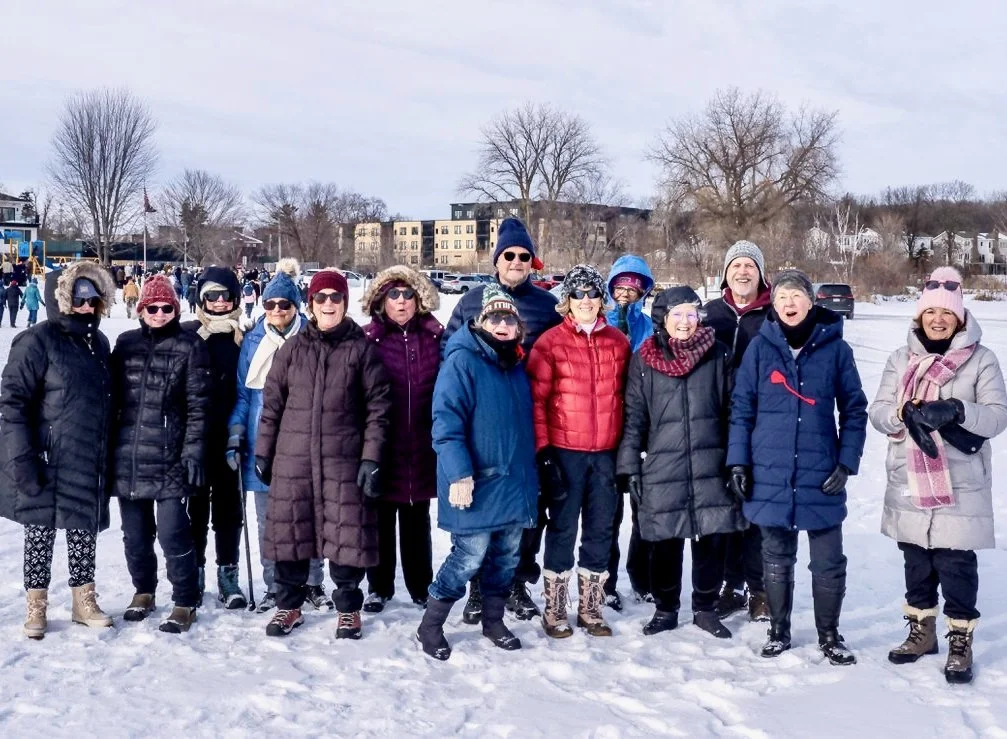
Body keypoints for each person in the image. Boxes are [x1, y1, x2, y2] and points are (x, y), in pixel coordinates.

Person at [869, 267, 1007, 684]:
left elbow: (998, 416)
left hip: (960, 479)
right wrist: (901, 413)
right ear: (919, 315)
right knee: (916, 560)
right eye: (930, 312)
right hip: (909, 477)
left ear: (960, 317)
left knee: (956, 563)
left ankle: (959, 640)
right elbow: (877, 412)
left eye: (947, 313)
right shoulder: (900, 358)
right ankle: (922, 632)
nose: (938, 319)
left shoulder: (981, 359)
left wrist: (960, 410)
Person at [727, 269, 867, 664]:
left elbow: (854, 410)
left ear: (811, 302)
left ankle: (830, 634)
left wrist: (846, 462)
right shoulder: (759, 347)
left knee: (828, 560)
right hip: (769, 469)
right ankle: (779, 630)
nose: (789, 303)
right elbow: (742, 408)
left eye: (797, 296)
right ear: (773, 304)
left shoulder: (836, 349)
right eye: (782, 297)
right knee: (775, 555)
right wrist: (738, 460)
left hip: (821, 472)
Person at [255, 269, 392, 639]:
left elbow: (379, 409)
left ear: (345, 302)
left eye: (335, 297)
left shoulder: (362, 349)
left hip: (342, 459)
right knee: (291, 535)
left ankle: (348, 608)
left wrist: (371, 457)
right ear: (311, 304)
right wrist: (263, 452)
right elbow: (272, 407)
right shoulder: (291, 351)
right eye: (321, 297)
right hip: (293, 459)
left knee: (346, 535)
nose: (328, 303)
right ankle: (288, 606)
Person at [442, 217, 560, 623]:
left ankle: (515, 582)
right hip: (483, 424)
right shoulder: (471, 302)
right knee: (484, 512)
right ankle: (478, 587)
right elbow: (450, 352)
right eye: (508, 254)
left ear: (532, 261)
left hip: (529, 423)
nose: (515, 261)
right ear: (496, 260)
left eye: (523, 255)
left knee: (527, 511)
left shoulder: (547, 306)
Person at [417, 286, 538, 660]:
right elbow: (445, 422)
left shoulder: (515, 364)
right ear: (480, 322)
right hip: (476, 483)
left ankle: (493, 619)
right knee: (468, 557)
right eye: (495, 318)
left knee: (506, 558)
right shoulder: (462, 361)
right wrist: (458, 475)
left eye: (510, 319)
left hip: (513, 483)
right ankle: (431, 625)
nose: (503, 325)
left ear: (518, 327)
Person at [618, 286, 744, 639]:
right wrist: (629, 466)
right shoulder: (644, 360)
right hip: (662, 464)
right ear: (663, 319)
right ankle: (666, 608)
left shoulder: (719, 355)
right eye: (677, 314)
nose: (685, 322)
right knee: (665, 541)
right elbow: (634, 417)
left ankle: (705, 608)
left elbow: (735, 412)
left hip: (711, 461)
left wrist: (736, 462)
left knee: (711, 539)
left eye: (691, 314)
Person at [0, 263, 117, 638]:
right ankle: (36, 604)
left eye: (93, 298)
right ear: (62, 300)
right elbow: (12, 402)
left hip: (86, 453)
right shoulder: (36, 340)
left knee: (83, 528)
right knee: (40, 531)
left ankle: (84, 600)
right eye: (79, 299)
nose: (87, 306)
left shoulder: (98, 343)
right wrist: (22, 458)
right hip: (45, 455)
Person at [527, 265, 630, 638]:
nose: (586, 301)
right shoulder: (550, 343)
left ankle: (590, 607)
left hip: (605, 453)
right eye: (578, 294)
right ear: (567, 301)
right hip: (565, 451)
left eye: (592, 294)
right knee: (563, 529)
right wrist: (544, 452)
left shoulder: (618, 342)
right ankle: (554, 608)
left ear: (601, 300)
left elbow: (628, 400)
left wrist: (627, 454)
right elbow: (536, 402)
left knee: (601, 529)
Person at [226, 259, 332, 614]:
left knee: (309, 516)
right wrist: (236, 432)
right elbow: (244, 395)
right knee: (269, 520)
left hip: (304, 441)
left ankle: (313, 582)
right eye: (269, 304)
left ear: (296, 306)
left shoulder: (312, 338)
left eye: (283, 304)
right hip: (262, 441)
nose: (276, 310)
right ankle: (274, 585)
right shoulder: (253, 340)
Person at [110, 274, 212, 633]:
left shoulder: (189, 346)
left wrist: (193, 453)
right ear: (141, 309)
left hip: (171, 457)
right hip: (130, 456)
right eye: (151, 307)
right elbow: (112, 400)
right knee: (135, 535)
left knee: (172, 534)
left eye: (166, 307)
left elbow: (200, 406)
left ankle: (185, 599)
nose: (158, 313)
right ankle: (143, 591)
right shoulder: (125, 344)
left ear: (175, 309)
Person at [360, 266, 443, 612]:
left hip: (422, 443)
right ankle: (379, 586)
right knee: (379, 517)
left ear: (419, 299)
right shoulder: (368, 339)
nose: (401, 301)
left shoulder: (434, 338)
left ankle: (421, 585)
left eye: (408, 294)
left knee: (416, 516)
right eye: (394, 294)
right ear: (382, 299)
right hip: (383, 443)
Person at [704, 240, 773, 621]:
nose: (743, 271)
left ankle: (760, 588)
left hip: (760, 426)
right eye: (736, 265)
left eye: (750, 265)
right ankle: (732, 585)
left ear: (761, 273)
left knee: (756, 509)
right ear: (726, 273)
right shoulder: (711, 314)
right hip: (716, 424)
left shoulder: (773, 315)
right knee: (725, 510)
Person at [183, 266, 248, 609]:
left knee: (229, 510)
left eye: (226, 295)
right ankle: (194, 574)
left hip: (232, 439)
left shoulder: (246, 337)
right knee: (195, 508)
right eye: (212, 295)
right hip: (196, 439)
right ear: (201, 299)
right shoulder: (188, 335)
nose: (220, 302)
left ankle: (228, 574)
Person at [604, 254, 655, 610]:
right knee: (608, 514)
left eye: (634, 286)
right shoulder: (600, 319)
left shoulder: (649, 327)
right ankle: (604, 582)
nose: (626, 292)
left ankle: (643, 575)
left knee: (645, 510)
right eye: (621, 285)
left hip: (641, 429)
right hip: (605, 428)